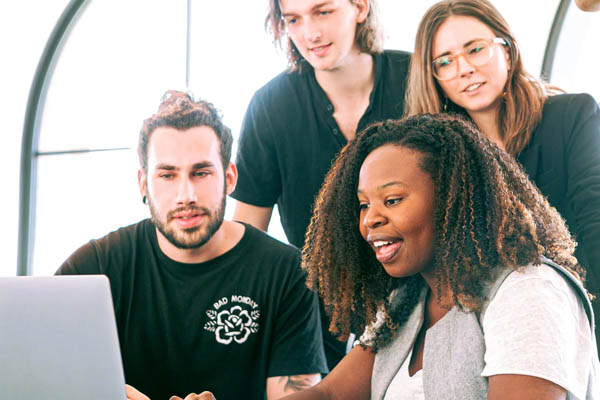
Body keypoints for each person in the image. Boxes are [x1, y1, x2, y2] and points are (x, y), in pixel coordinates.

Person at [167, 114, 600, 399]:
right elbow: (330, 396)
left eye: (391, 200)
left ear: (450, 198)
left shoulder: (528, 292)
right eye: (362, 205)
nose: (369, 220)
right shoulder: (407, 301)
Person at [56, 91, 327, 400]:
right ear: (144, 184)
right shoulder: (93, 269)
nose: (186, 195)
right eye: (168, 175)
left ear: (230, 177)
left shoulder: (285, 272)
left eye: (201, 173)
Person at [404, 0, 600, 351]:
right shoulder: (435, 160)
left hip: (579, 316)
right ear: (434, 79)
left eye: (475, 49)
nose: (463, 68)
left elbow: (595, 219)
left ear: (507, 51)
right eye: (444, 62)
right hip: (488, 331)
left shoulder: (571, 116)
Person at [231, 0, 411, 369]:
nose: (309, 34)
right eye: (293, 19)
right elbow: (247, 237)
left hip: (421, 298)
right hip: (318, 316)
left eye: (323, 11)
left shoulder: (415, 78)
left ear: (360, 6)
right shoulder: (270, 106)